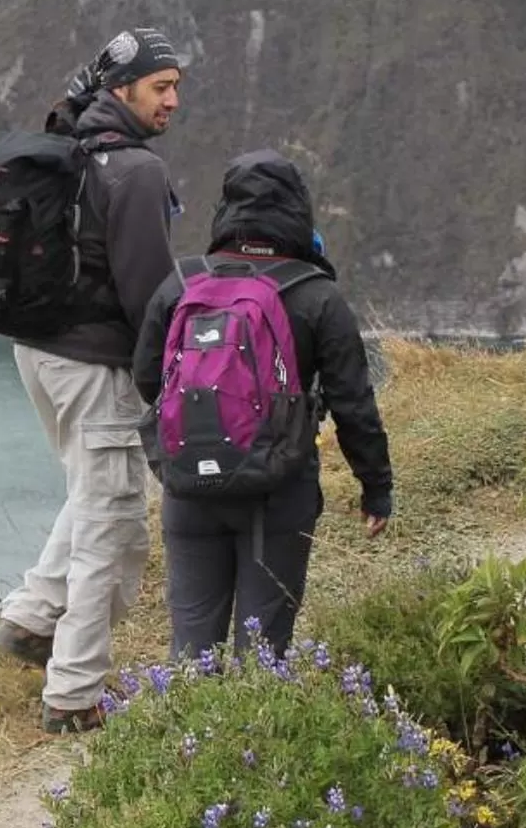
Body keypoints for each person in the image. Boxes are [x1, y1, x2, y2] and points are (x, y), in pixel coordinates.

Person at [0, 29, 187, 734]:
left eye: (175, 87)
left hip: (37, 353)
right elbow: (150, 292)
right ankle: (74, 696)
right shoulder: (133, 170)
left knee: (91, 485)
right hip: (93, 363)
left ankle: (33, 616)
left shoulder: (73, 151)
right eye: (159, 87)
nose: (171, 101)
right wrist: (173, 375)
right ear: (121, 89)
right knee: (116, 521)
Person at [132, 150, 392, 663]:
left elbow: (147, 381)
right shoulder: (317, 294)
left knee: (191, 648)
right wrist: (376, 489)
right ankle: (252, 741)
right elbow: (353, 405)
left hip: (188, 487)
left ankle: (184, 740)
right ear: (299, 211)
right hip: (277, 492)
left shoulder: (182, 284)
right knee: (264, 654)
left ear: (225, 208)